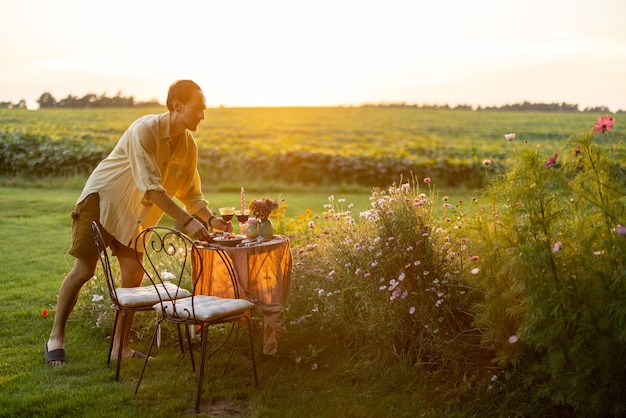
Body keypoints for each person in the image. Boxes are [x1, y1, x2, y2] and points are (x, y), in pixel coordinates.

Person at [45, 80, 231, 367]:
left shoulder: (188, 145)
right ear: (177, 105)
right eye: (198, 108)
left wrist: (211, 219)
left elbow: (190, 193)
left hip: (138, 219)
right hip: (104, 201)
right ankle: (55, 337)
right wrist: (188, 221)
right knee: (84, 271)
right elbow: (152, 189)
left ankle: (121, 347)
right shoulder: (144, 129)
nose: (203, 115)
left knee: (133, 278)